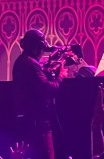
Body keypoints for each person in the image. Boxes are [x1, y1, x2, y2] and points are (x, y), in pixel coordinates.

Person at [12, 29, 62, 159]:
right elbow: (47, 89)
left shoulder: (21, 61)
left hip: (28, 121)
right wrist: (61, 76)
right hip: (38, 122)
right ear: (37, 47)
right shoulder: (30, 63)